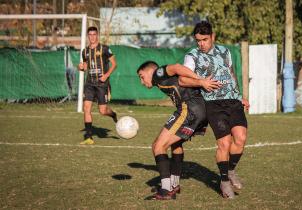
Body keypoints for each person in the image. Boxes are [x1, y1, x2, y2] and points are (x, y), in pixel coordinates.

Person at [183, 21, 250, 199]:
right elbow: (183, 80)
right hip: (213, 103)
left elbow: (231, 73)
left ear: (212, 36)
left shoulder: (225, 51)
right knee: (224, 143)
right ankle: (224, 181)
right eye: (198, 40)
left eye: (204, 40)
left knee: (241, 138)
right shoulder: (191, 56)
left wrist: (239, 95)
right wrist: (201, 82)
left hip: (233, 101)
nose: (201, 44)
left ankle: (230, 170)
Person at [137, 61, 221, 200]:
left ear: (149, 71)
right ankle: (174, 184)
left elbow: (176, 67)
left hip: (189, 109)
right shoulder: (160, 81)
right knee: (176, 145)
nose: (142, 81)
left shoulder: (157, 74)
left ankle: (166, 189)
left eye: (141, 76)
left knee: (158, 146)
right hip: (199, 109)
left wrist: (200, 80)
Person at [77, 26, 118, 145]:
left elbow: (114, 64)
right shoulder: (85, 51)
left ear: (97, 35)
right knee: (86, 108)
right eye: (90, 35)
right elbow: (85, 67)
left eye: (94, 34)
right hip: (89, 83)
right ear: (88, 36)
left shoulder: (104, 49)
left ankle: (113, 114)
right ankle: (89, 137)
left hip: (102, 84)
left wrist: (106, 75)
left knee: (102, 111)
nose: (92, 37)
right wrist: (80, 67)